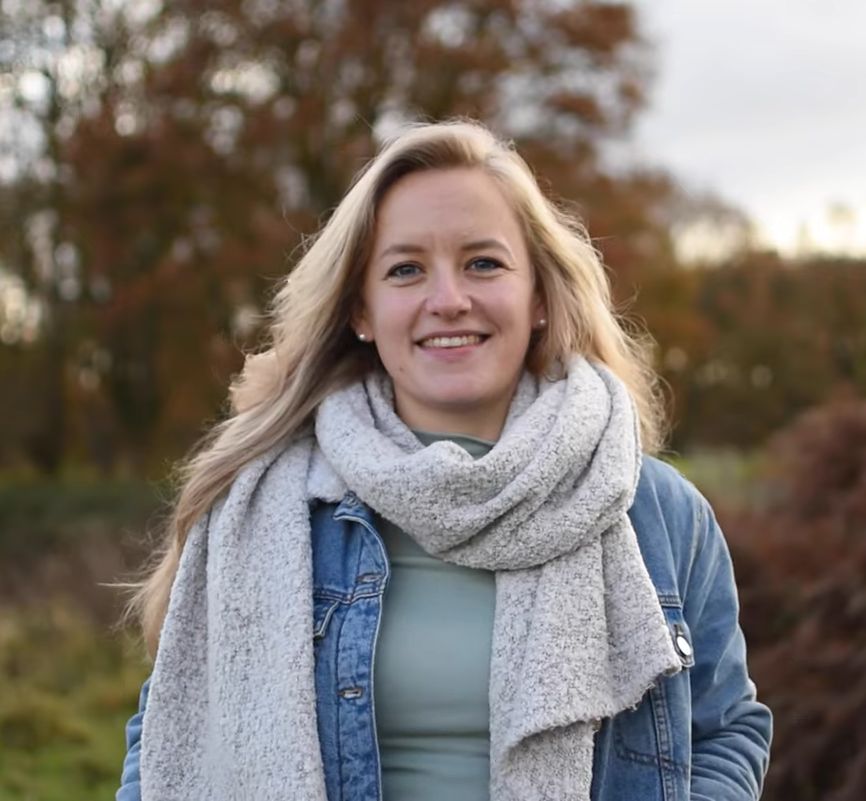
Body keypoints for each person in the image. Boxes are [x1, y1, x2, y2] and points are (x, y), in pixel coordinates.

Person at [116, 119, 771, 801]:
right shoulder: (264, 506)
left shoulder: (657, 512)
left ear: (539, 296)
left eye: (483, 263)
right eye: (406, 270)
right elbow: (169, 737)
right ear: (361, 311)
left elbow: (725, 729)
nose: (449, 300)